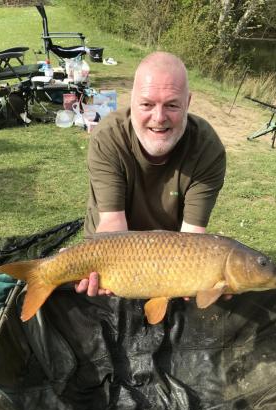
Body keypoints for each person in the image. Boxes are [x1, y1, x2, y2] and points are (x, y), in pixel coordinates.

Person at [77, 51, 226, 296]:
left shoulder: (207, 148)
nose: (159, 118)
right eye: (147, 104)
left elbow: (192, 239)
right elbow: (113, 224)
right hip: (109, 248)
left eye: (172, 105)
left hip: (170, 256)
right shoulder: (108, 137)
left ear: (187, 103)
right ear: (132, 101)